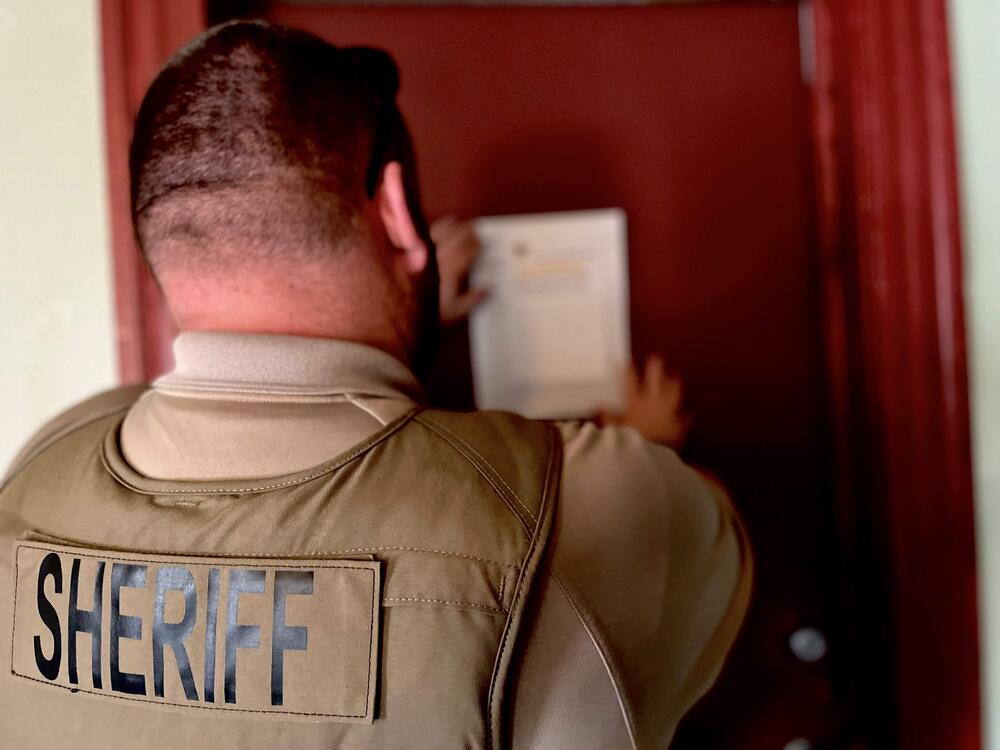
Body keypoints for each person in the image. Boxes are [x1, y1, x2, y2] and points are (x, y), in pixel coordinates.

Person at [0, 20, 750, 749]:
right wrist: (646, 447)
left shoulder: (40, 467)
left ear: (154, 238)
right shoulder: (591, 508)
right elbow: (705, 546)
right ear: (395, 208)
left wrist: (401, 332)